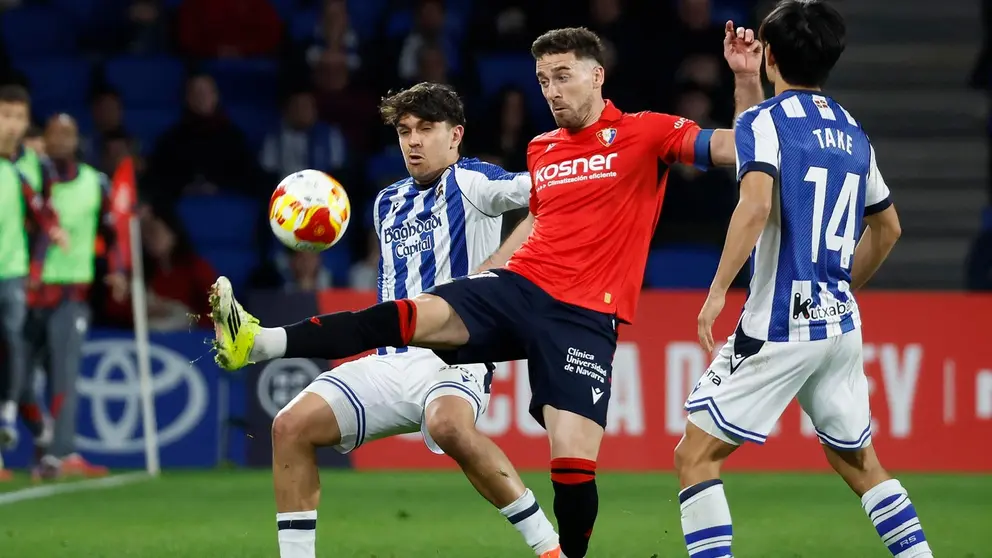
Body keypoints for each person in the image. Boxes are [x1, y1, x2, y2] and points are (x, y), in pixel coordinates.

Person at [211, 26, 761, 557]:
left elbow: (740, 148)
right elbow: (544, 212)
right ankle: (260, 342)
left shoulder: (647, 132)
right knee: (393, 321)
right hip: (516, 289)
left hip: (585, 314)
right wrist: (495, 268)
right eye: (543, 80)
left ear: (597, 77)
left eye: (563, 76)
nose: (552, 91)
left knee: (571, 473)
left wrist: (744, 82)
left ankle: (559, 551)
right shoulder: (541, 148)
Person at [212, 82, 561, 558]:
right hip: (388, 360)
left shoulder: (475, 182)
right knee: (289, 426)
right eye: (404, 131)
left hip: (454, 360)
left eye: (426, 129)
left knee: (448, 426)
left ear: (456, 135)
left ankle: (548, 547)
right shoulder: (386, 203)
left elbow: (551, 191)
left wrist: (500, 259)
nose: (413, 141)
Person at [680, 3, 932, 558]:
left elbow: (753, 202)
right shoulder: (852, 132)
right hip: (838, 325)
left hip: (778, 323)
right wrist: (746, 79)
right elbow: (888, 229)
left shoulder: (767, 123)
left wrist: (718, 290)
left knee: (695, 457)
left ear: (771, 53)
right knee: (858, 462)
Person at [23, 114, 127, 480]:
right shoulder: (31, 180)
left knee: (64, 376)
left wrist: (116, 271)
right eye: (55, 133)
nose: (62, 139)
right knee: (17, 378)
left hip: (71, 293)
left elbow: (111, 234)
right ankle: (39, 441)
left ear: (78, 139)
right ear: (45, 141)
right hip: (28, 291)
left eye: (69, 132)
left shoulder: (95, 182)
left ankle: (60, 453)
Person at [0, 85, 64, 463]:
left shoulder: (33, 168)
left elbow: (45, 220)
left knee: (13, 348)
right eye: (4, 115)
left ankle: (11, 415)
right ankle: (37, 429)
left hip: (17, 276)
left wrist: (36, 271)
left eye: (17, 117)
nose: (10, 125)